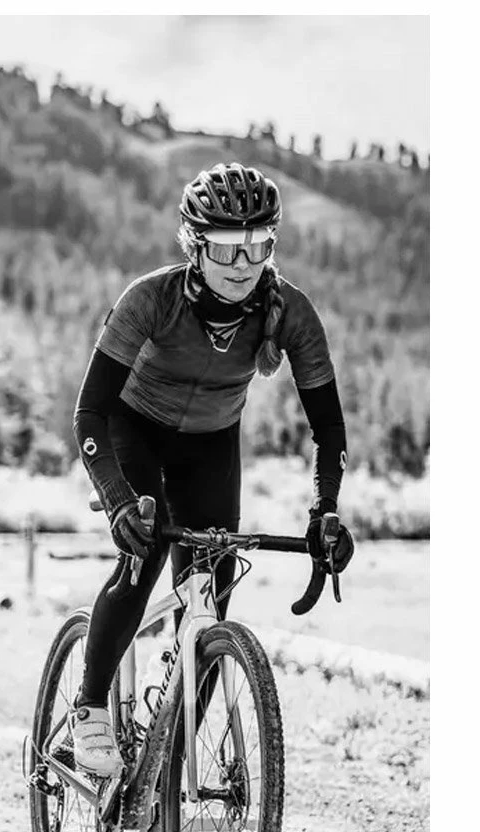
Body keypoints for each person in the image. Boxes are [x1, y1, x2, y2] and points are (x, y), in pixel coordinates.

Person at [70, 162, 355, 777]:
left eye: (259, 245)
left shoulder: (290, 312)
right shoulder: (151, 299)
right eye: (226, 248)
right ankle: (90, 707)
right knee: (144, 554)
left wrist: (325, 512)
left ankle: (165, 756)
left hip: (210, 442)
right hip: (133, 429)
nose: (242, 263)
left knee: (214, 584)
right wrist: (118, 501)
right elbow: (89, 412)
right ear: (194, 245)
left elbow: (328, 428)